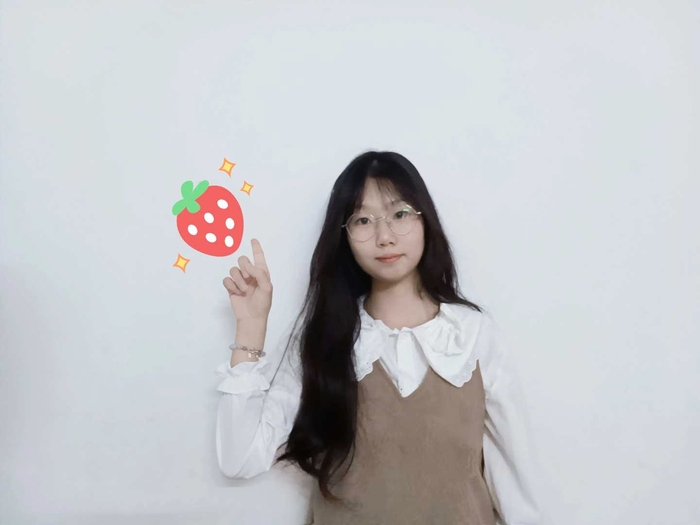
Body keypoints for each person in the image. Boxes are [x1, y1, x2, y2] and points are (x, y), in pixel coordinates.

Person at [215, 150, 542, 524]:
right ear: (344, 235)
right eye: (363, 220)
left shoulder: (472, 334)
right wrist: (251, 326)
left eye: (400, 214)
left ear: (425, 220)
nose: (384, 237)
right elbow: (240, 459)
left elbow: (517, 481)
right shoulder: (322, 335)